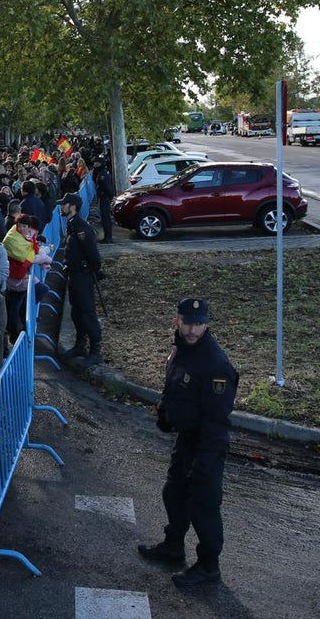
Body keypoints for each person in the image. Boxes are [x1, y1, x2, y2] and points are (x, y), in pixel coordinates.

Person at [138, 298, 239, 588]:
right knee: (174, 493)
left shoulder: (215, 363)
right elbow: (173, 385)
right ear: (177, 321)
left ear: (206, 324)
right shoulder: (182, 349)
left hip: (207, 443)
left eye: (199, 324)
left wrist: (203, 463)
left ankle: (209, 566)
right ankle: (173, 547)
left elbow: (217, 420)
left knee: (204, 506)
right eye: (188, 323)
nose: (193, 330)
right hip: (187, 439)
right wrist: (165, 414)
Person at [58, 193, 103, 368]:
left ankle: (95, 351)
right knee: (76, 313)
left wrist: (91, 270)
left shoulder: (82, 228)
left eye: (64, 204)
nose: (61, 207)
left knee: (87, 312)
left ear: (72, 207)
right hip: (74, 275)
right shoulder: (72, 226)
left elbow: (94, 256)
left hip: (83, 276)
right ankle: (80, 345)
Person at [1, 213, 52, 341]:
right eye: (20, 225)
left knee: (16, 306)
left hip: (20, 276)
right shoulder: (13, 239)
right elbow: (27, 256)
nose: (22, 228)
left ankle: (19, 327)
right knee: (18, 305)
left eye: (24, 226)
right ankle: (18, 330)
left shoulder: (24, 236)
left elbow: (31, 252)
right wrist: (45, 259)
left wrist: (42, 262)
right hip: (15, 278)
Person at [93, 159, 115, 243]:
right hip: (103, 198)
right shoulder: (100, 172)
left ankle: (108, 237)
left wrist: (109, 197)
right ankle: (107, 236)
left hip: (105, 198)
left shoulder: (103, 174)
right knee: (104, 218)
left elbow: (107, 187)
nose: (95, 164)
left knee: (106, 218)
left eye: (96, 163)